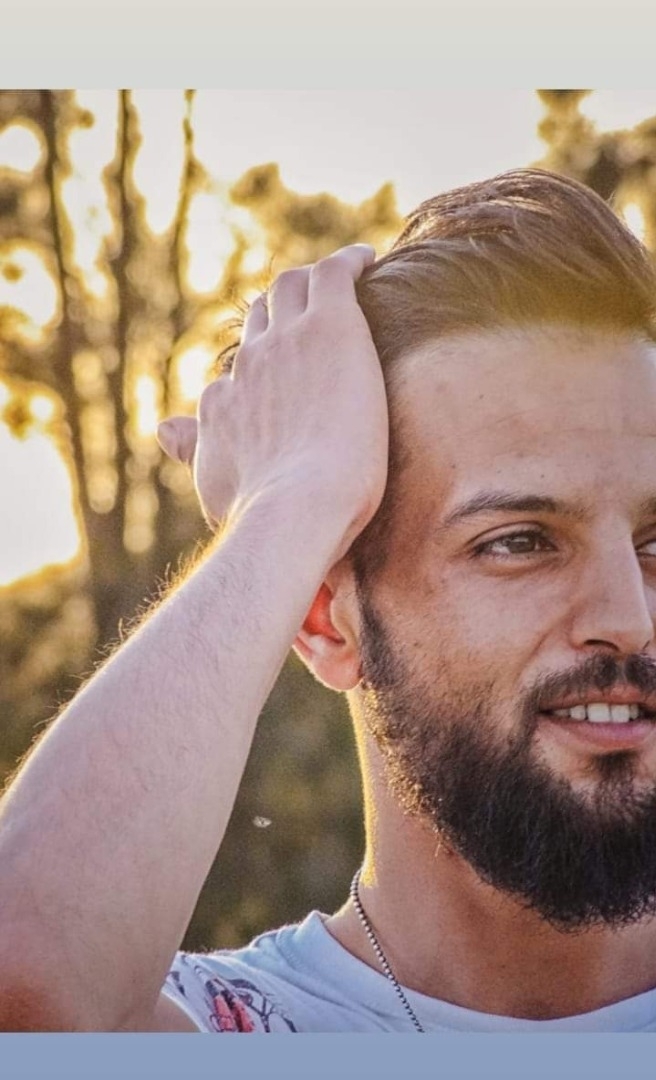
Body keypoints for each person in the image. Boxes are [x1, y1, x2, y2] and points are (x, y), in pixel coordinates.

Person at [3, 168, 656, 1033]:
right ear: (325, 619)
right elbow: (29, 1000)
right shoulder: (237, 1032)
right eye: (519, 542)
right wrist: (292, 501)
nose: (629, 620)